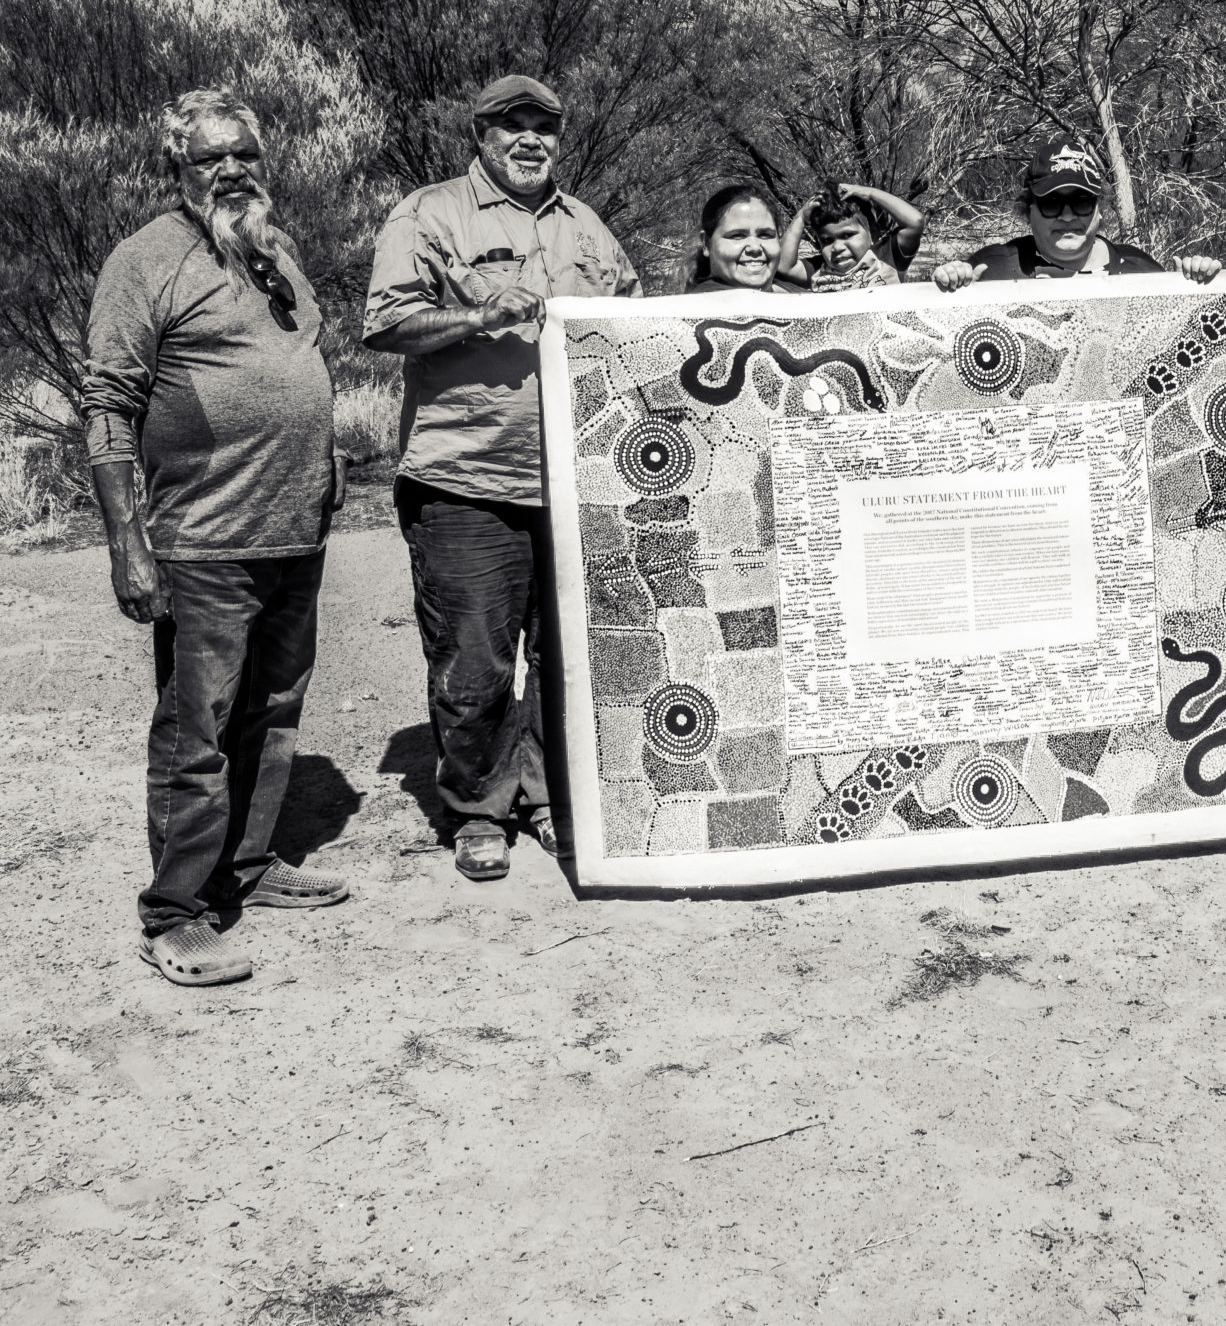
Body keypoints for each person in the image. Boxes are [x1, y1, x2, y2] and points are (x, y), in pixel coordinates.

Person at [84, 89, 351, 987]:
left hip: (293, 531)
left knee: (273, 712)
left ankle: (248, 863)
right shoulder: (146, 259)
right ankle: (175, 910)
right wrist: (129, 541)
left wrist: (326, 461)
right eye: (211, 159)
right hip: (203, 539)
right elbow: (110, 404)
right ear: (178, 170)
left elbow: (297, 367)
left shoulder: (273, 251)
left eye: (246, 154)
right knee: (195, 726)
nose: (232, 170)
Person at [363, 74, 640, 881]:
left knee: (568, 658)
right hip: (464, 482)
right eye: (510, 125)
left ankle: (554, 796)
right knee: (475, 661)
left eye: (543, 127)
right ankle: (479, 809)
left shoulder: (587, 227)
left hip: (573, 483)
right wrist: (481, 314)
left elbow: (631, 320)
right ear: (479, 134)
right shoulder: (430, 212)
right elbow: (384, 322)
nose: (529, 139)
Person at [932, 138, 1173, 286]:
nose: (1067, 216)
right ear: (1028, 212)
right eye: (1051, 203)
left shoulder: (1142, 271)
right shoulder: (991, 271)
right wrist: (950, 289)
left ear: (1100, 210)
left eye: (1081, 202)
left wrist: (1195, 285)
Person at [776, 181, 925, 290]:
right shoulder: (820, 269)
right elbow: (783, 266)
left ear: (870, 231)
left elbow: (915, 222)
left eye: (847, 235)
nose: (837, 247)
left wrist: (871, 193)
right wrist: (801, 217)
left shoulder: (886, 257)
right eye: (826, 241)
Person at [690, 186, 800, 294]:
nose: (755, 247)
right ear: (706, 244)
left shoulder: (786, 289)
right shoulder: (704, 305)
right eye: (737, 236)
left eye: (765, 235)